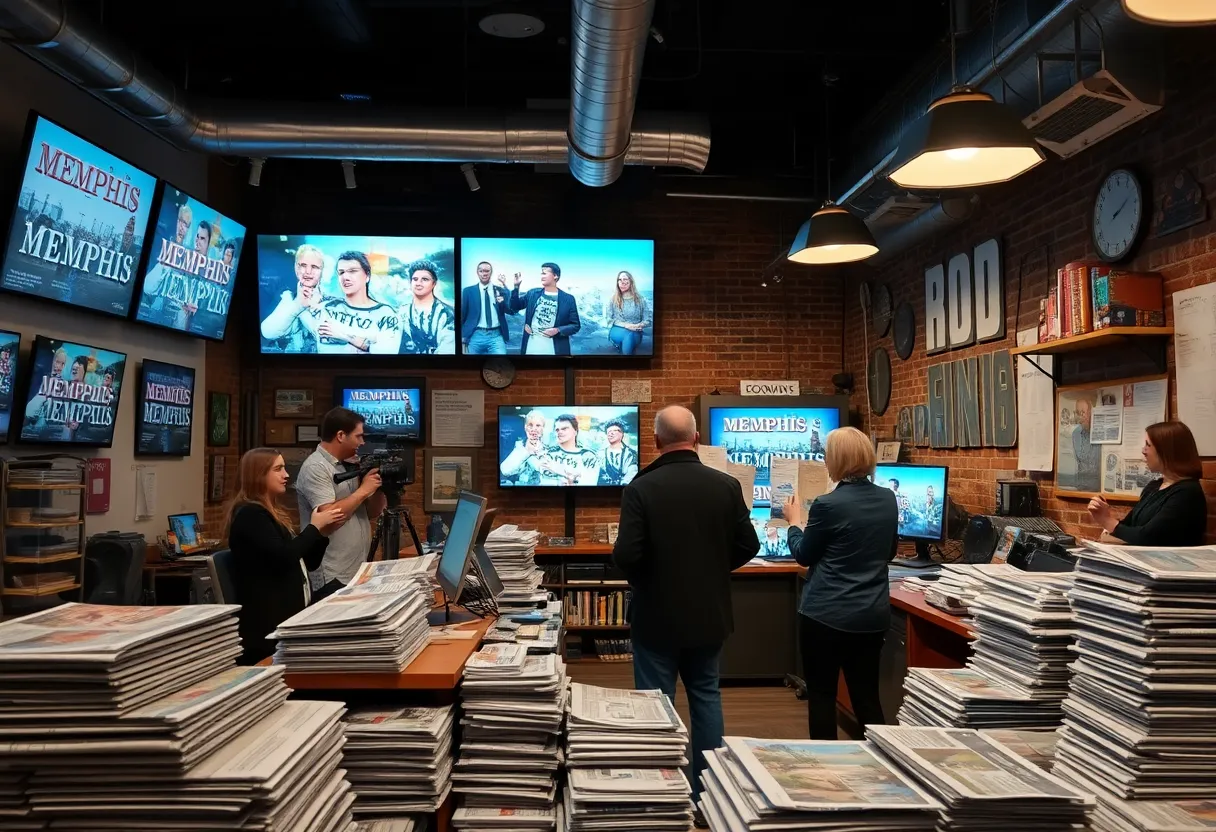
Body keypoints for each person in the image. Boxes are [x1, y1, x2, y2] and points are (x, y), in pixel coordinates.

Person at [612, 406, 760, 804]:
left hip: (655, 616)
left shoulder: (640, 488)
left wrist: (652, 577)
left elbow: (626, 555)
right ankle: (707, 796)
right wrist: (713, 568)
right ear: (696, 439)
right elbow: (750, 545)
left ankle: (663, 797)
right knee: (706, 697)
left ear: (656, 441)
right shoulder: (726, 485)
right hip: (708, 614)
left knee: (655, 707)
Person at [783, 426, 898, 740]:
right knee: (867, 697)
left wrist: (794, 522)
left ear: (836, 460)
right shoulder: (889, 499)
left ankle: (827, 765)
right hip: (871, 616)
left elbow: (804, 555)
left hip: (826, 616)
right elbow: (889, 551)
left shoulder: (827, 504)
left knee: (821, 695)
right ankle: (887, 764)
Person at [225, 447, 344, 665]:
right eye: (278, 469)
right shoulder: (251, 515)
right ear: (259, 475)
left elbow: (309, 562)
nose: (286, 475)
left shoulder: (273, 513)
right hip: (268, 625)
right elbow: (284, 559)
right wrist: (313, 528)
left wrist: (323, 532)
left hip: (292, 612)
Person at [295, 407, 387, 588]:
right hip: (332, 573)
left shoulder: (347, 465)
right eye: (358, 436)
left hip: (356, 570)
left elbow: (372, 512)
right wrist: (362, 491)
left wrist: (377, 487)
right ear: (340, 436)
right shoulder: (316, 467)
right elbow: (328, 518)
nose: (362, 442)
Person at [1087, 421, 1209, 546]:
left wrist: (1107, 521)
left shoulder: (1187, 493)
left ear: (1165, 451)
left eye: (1148, 445)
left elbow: (1147, 537)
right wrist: (1104, 514)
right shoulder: (1154, 487)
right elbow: (1130, 526)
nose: (1143, 451)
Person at [315, 251, 403, 354]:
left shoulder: (387, 314)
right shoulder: (329, 308)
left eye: (352, 271)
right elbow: (324, 346)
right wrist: (370, 341)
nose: (345, 277)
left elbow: (387, 352)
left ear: (367, 276)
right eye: (341, 272)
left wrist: (343, 335)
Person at [259, 243, 327, 353]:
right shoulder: (285, 296)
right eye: (303, 265)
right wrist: (298, 305)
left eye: (314, 267)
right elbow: (267, 332)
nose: (308, 271)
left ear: (322, 271)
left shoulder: (331, 302)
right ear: (296, 268)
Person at [509, 262, 581, 356]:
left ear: (555, 276)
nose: (541, 276)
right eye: (541, 273)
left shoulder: (568, 299)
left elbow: (575, 325)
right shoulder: (533, 293)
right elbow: (515, 307)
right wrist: (516, 287)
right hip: (531, 345)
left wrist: (558, 330)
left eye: (544, 273)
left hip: (555, 347)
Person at [401, 259, 457, 355]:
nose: (418, 283)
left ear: (434, 283)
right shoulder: (402, 311)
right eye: (415, 279)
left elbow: (447, 351)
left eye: (425, 279)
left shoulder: (447, 314)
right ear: (410, 282)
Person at [461, 261, 514, 355]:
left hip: (496, 336)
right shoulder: (468, 291)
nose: (484, 273)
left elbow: (510, 310)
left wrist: (505, 289)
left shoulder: (500, 290)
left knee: (500, 364)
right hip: (476, 334)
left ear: (491, 272)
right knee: (470, 367)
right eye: (481, 271)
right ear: (477, 272)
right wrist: (462, 335)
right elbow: (463, 314)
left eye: (487, 271)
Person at [542, 413, 600, 485]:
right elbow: (543, 482)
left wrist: (561, 471)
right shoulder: (549, 454)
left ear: (575, 431)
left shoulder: (588, 457)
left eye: (564, 429)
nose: (559, 432)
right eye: (557, 430)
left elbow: (590, 485)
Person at [500, 409, 551, 485]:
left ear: (543, 428)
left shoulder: (549, 449)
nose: (534, 429)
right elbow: (505, 470)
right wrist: (526, 451)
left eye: (538, 425)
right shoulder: (517, 445)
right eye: (530, 425)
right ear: (525, 427)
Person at [605, 270, 651, 355]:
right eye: (619, 280)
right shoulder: (612, 299)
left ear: (631, 282)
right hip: (617, 330)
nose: (622, 282)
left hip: (636, 331)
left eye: (625, 279)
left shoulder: (640, 299)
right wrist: (627, 325)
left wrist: (639, 325)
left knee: (630, 334)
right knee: (628, 334)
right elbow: (609, 319)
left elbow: (648, 320)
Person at [1071, 395, 1100, 492]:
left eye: (1084, 412)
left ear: (1091, 412)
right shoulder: (1075, 434)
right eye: (1078, 413)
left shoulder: (1099, 432)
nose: (1081, 416)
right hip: (1081, 488)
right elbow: (1079, 462)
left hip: (1098, 489)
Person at [597, 419, 639, 485]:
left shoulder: (630, 454)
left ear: (622, 434)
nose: (611, 433)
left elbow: (632, 474)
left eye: (614, 431)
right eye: (609, 431)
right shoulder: (600, 454)